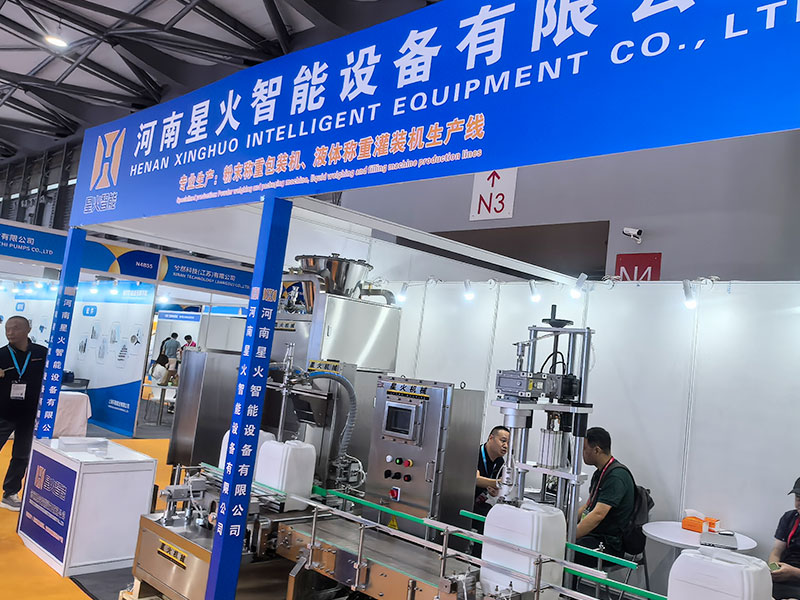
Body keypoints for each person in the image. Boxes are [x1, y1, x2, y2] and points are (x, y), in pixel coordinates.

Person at [0, 316, 47, 511]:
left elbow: (53, 378)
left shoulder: (42, 353)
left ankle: (10, 493)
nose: (10, 332)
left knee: (22, 455)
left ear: (28, 329)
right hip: (3, 413)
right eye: (7, 328)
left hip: (29, 414)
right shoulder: (1, 354)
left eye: (16, 328)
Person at [575, 427, 635, 563]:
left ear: (596, 450)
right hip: (595, 535)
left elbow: (598, 515)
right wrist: (566, 522)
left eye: (584, 449)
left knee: (565, 550)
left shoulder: (616, 477)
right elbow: (588, 506)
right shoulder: (600, 473)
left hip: (609, 544)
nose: (581, 453)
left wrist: (569, 536)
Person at [472, 425, 510, 556]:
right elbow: (475, 479)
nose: (505, 446)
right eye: (503, 441)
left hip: (481, 502)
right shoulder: (475, 454)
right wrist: (498, 483)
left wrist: (496, 491)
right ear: (491, 438)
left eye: (508, 443)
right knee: (486, 518)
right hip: (465, 501)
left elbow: (494, 486)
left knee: (498, 516)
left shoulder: (499, 462)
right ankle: (476, 558)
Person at [768, 478, 800, 599]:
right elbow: (777, 550)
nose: (799, 503)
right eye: (798, 497)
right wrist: (773, 568)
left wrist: (794, 573)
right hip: (783, 575)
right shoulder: (789, 517)